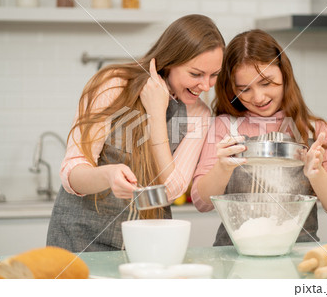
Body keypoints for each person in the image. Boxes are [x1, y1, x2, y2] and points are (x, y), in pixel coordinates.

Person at [47, 14, 225, 252]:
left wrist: (155, 113)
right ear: (170, 61)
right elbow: (72, 171)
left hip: (146, 242)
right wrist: (107, 175)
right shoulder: (113, 84)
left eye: (214, 75)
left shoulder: (199, 115)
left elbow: (171, 190)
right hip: (81, 236)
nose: (205, 86)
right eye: (196, 74)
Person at [191, 29, 327, 246]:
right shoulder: (223, 127)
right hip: (236, 258)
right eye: (244, 89)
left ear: (284, 74)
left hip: (297, 260)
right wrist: (222, 168)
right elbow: (202, 203)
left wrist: (317, 173)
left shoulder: (315, 130)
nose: (258, 97)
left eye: (266, 83)